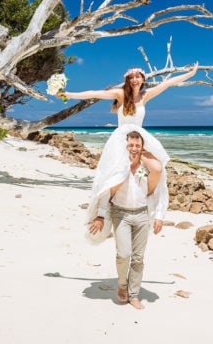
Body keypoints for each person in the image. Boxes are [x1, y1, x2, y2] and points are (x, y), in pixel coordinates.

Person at [60, 63, 198, 307]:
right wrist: (68, 94)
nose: (136, 79)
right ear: (127, 79)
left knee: (157, 169)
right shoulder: (120, 94)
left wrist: (189, 74)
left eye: (139, 76)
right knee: (113, 178)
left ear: (143, 79)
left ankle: (152, 207)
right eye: (132, 76)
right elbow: (93, 93)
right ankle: (103, 212)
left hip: (139, 139)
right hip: (121, 141)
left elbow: (167, 83)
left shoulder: (146, 94)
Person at [86, 131, 161, 309]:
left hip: (142, 215)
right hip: (121, 214)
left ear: (142, 148)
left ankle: (134, 294)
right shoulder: (118, 167)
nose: (134, 148)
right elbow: (106, 191)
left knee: (138, 258)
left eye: (137, 145)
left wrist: (158, 216)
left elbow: (154, 191)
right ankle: (122, 284)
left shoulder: (144, 167)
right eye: (130, 145)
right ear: (125, 147)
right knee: (124, 254)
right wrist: (100, 216)